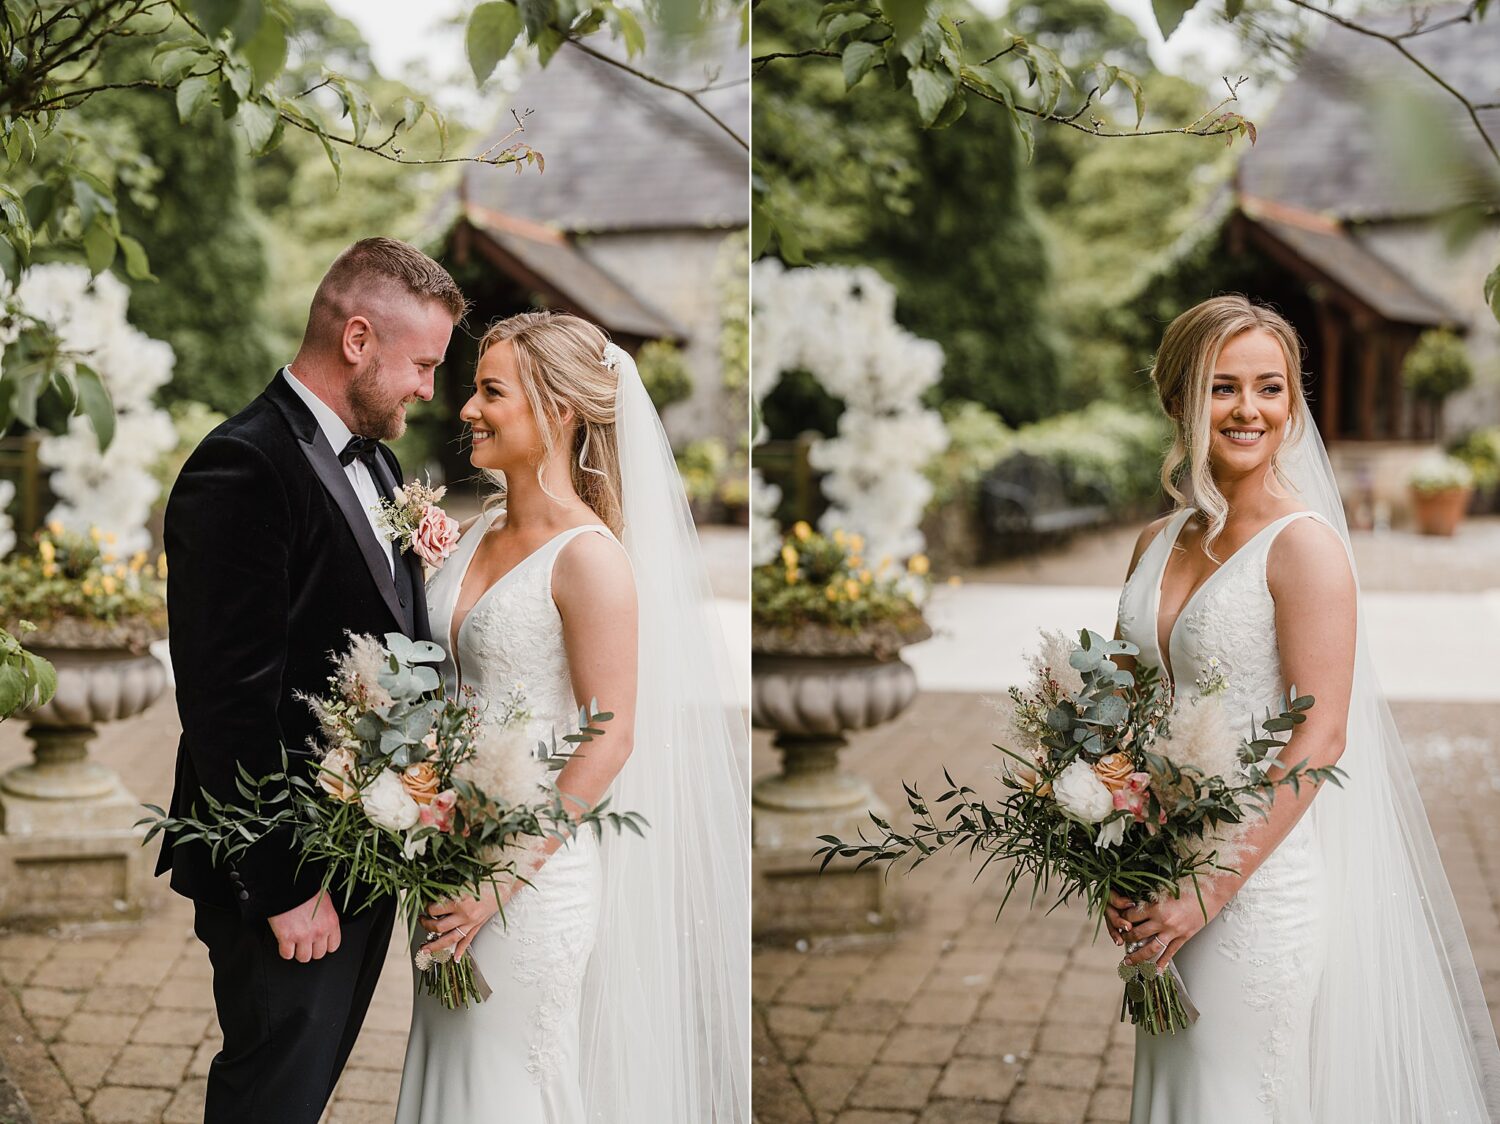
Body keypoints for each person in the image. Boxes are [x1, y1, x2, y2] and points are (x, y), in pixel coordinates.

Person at [1110, 294, 1500, 1121]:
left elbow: (1321, 734)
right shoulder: (1156, 539)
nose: (1249, 410)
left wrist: (1207, 891)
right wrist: (1112, 847)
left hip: (1252, 892)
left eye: (1271, 388)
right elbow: (1121, 708)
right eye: (1222, 388)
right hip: (1160, 879)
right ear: (1178, 397)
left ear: (1293, 402)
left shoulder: (1304, 546)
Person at [396, 311, 749, 1123]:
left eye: (492, 391)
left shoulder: (590, 558)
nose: (467, 410)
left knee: (505, 1088)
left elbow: (611, 734)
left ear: (558, 410)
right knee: (450, 1073)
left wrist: (500, 881)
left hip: (529, 882)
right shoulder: (479, 528)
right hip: (449, 851)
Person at [161, 238, 464, 1123]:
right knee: (271, 1097)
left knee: (307, 1090)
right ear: (358, 339)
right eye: (423, 365)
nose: (428, 390)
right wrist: (286, 884)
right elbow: (225, 699)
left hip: (364, 853)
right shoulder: (243, 466)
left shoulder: (378, 461)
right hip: (289, 870)